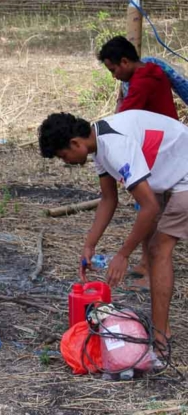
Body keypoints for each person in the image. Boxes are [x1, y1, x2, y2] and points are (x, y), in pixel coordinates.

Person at [38, 110, 188, 353]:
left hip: (184, 175)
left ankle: (161, 338)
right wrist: (89, 244)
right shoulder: (98, 144)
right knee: (150, 240)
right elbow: (109, 198)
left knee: (159, 249)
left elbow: (148, 206)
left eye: (63, 155)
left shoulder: (115, 145)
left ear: (75, 143)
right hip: (170, 171)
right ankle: (161, 327)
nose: (66, 162)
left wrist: (123, 254)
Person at [98, 36, 179, 283]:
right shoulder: (152, 72)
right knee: (150, 208)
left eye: (113, 70)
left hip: (159, 152)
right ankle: (148, 261)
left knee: (150, 209)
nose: (113, 76)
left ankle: (150, 265)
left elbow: (121, 122)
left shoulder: (143, 81)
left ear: (125, 61)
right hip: (160, 147)